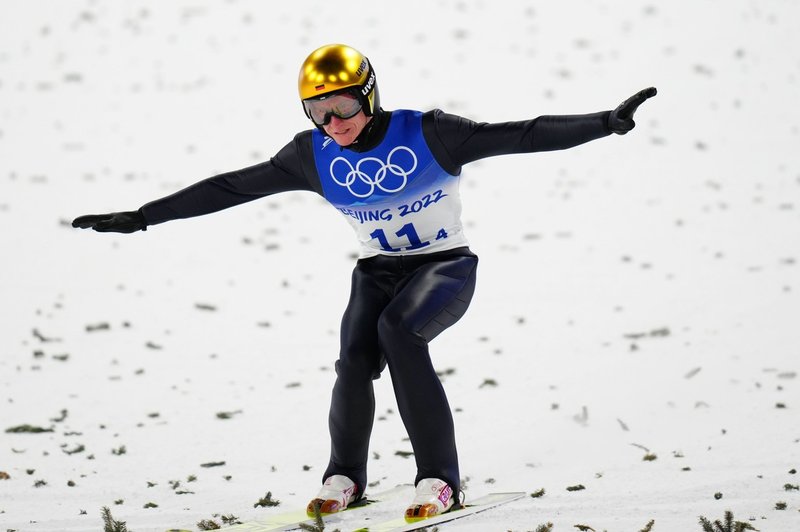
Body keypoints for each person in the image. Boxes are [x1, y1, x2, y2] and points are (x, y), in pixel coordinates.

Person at [73, 43, 656, 522]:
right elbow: (230, 187)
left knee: (399, 334)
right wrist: (145, 215)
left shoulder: (431, 133)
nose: (335, 124)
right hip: (376, 273)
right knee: (354, 358)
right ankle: (345, 476)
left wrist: (605, 123)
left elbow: (522, 134)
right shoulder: (313, 155)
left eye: (345, 106)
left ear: (370, 94)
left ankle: (439, 480)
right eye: (318, 112)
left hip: (444, 267)